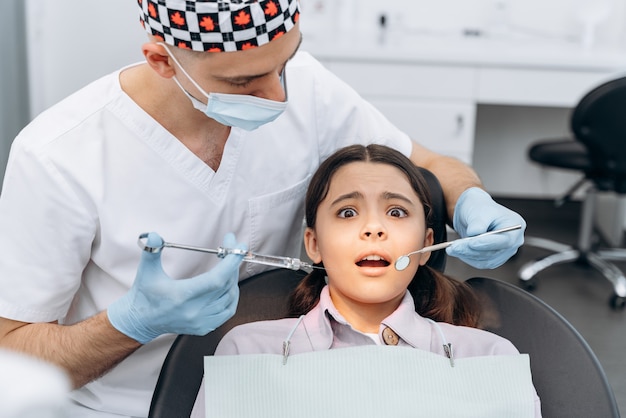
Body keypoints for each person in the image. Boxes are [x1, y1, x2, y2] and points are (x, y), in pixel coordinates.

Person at [0, 1, 525, 416]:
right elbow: (11, 359)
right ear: (163, 61)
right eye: (243, 83)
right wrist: (131, 324)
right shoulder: (57, 156)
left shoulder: (305, 86)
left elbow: (429, 164)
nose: (278, 97)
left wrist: (468, 197)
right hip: (123, 407)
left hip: (289, 385)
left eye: (285, 64)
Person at [192, 144, 540, 417]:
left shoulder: (486, 357)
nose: (374, 228)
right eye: (347, 212)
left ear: (426, 245)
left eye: (396, 212)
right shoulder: (248, 352)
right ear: (314, 244)